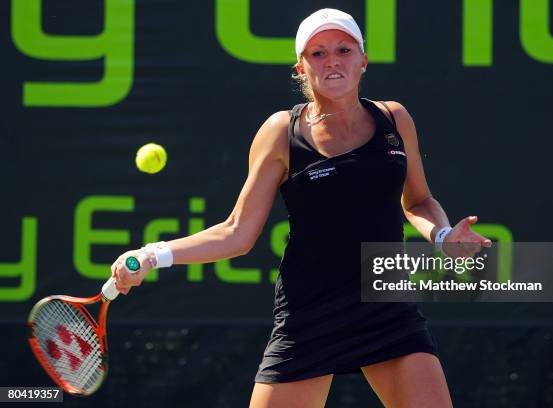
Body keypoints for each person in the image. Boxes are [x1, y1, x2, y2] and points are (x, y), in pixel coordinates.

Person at [111, 8, 491, 407]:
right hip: (310, 315)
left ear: (363, 60)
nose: (332, 61)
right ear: (300, 69)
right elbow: (236, 232)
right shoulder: (280, 133)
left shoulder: (395, 119)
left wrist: (443, 236)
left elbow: (417, 201)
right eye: (318, 53)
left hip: (387, 310)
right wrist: (153, 254)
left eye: (343, 49)